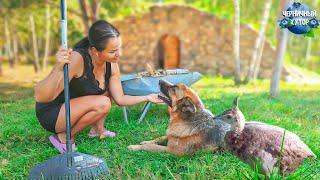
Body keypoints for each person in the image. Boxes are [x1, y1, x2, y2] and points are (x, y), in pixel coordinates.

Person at [34, 20, 163, 153]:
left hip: (73, 108)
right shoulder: (77, 59)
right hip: (53, 113)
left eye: (119, 48)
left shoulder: (111, 63)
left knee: (106, 93)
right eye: (113, 51)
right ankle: (64, 136)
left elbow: (120, 99)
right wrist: (58, 68)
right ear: (95, 51)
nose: (119, 54)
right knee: (103, 102)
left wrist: (148, 97)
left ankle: (98, 130)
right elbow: (41, 96)